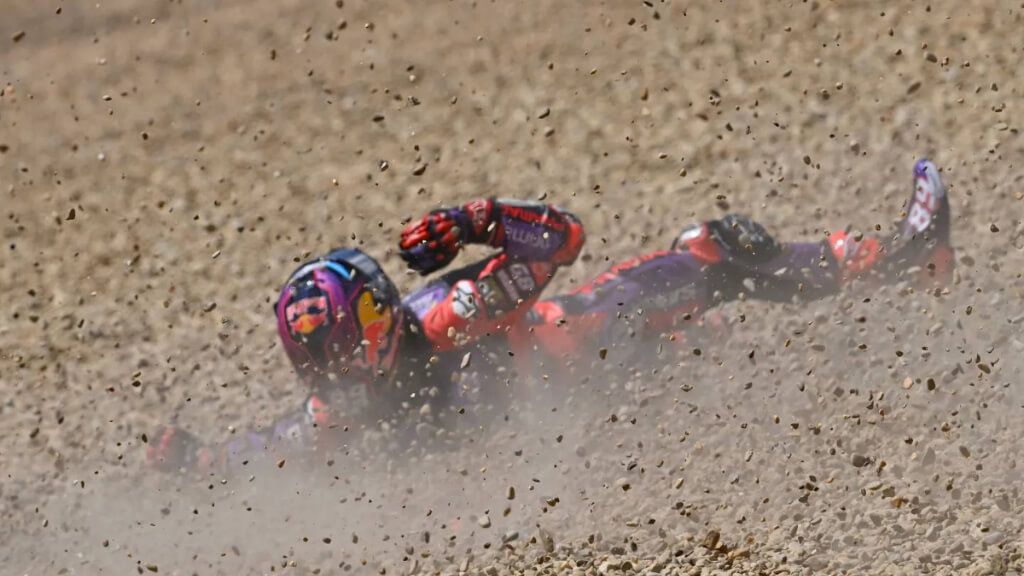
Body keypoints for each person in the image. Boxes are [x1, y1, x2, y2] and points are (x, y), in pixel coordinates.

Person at [148, 159, 953, 473]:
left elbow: (559, 238)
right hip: (606, 391)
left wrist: (475, 219)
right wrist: (188, 464)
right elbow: (257, 454)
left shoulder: (447, 316)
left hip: (609, 342)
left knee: (720, 254)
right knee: (714, 258)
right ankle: (897, 262)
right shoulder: (340, 409)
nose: (337, 378)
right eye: (319, 364)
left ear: (375, 321)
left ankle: (901, 260)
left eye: (340, 353)